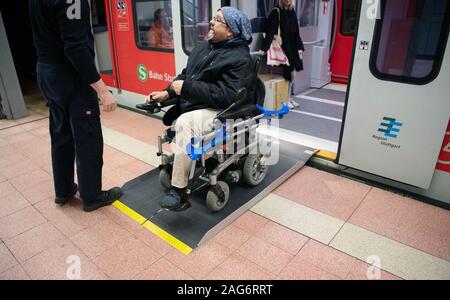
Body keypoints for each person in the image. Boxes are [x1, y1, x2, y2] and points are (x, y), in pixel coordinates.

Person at [145, 7, 255, 210]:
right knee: (180, 123)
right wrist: (166, 93)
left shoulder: (240, 59)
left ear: (230, 31)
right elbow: (186, 75)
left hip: (222, 110)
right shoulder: (203, 48)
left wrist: (187, 88)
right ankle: (186, 164)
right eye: (214, 17)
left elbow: (227, 96)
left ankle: (180, 193)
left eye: (217, 19)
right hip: (200, 104)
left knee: (185, 123)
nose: (211, 22)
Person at [29, 0, 122, 212]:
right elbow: (76, 47)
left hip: (46, 71)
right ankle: (92, 196)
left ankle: (63, 190)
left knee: (61, 134)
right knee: (87, 138)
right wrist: (102, 90)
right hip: (71, 76)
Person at [260, 0, 304, 109]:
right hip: (283, 49)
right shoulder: (276, 12)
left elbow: (297, 32)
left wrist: (300, 47)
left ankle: (288, 97)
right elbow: (270, 32)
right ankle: (285, 99)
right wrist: (264, 49)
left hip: (293, 47)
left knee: (293, 75)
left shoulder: (292, 12)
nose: (287, 0)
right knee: (288, 75)